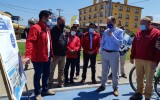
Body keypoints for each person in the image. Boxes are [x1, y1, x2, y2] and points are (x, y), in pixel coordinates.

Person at [23, 10, 55, 100]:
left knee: (46, 74)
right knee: (38, 75)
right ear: (44, 17)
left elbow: (49, 43)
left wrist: (51, 55)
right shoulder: (35, 27)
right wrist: (28, 55)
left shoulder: (47, 29)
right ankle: (37, 93)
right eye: (48, 17)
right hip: (38, 58)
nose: (49, 19)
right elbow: (30, 42)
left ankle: (45, 90)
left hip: (47, 57)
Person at [130, 17, 160, 100]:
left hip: (150, 61)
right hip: (138, 59)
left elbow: (158, 49)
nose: (141, 25)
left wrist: (156, 61)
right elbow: (134, 45)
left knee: (149, 81)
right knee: (139, 78)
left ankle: (147, 97)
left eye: (143, 24)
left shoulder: (157, 33)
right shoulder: (139, 32)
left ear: (149, 24)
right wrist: (132, 56)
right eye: (140, 23)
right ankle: (139, 93)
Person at [96, 16, 123, 96]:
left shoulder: (119, 31)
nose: (108, 24)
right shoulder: (105, 31)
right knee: (104, 71)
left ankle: (115, 88)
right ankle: (103, 85)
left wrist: (112, 36)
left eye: (110, 22)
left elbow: (120, 43)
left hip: (114, 53)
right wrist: (101, 51)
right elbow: (103, 41)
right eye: (107, 23)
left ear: (114, 22)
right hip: (105, 53)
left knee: (115, 72)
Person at [49, 16, 68, 88]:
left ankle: (60, 83)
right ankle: (50, 84)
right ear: (58, 22)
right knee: (51, 71)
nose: (63, 23)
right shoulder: (52, 30)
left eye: (64, 22)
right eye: (62, 22)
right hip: (54, 55)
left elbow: (66, 41)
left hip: (63, 54)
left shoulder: (65, 31)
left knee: (61, 70)